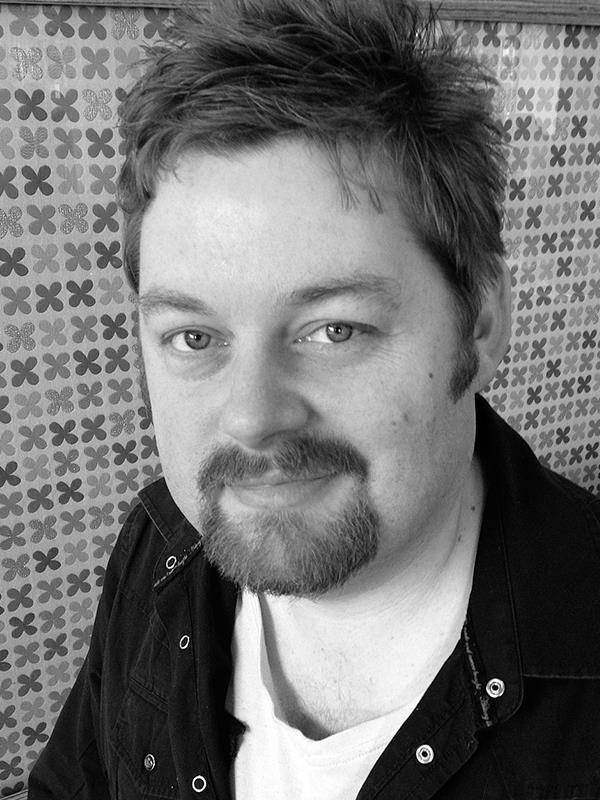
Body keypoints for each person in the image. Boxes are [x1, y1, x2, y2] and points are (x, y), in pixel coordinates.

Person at [29, 0, 600, 798]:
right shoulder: (159, 541)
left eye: (334, 330)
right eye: (194, 336)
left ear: (479, 323)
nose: (252, 418)